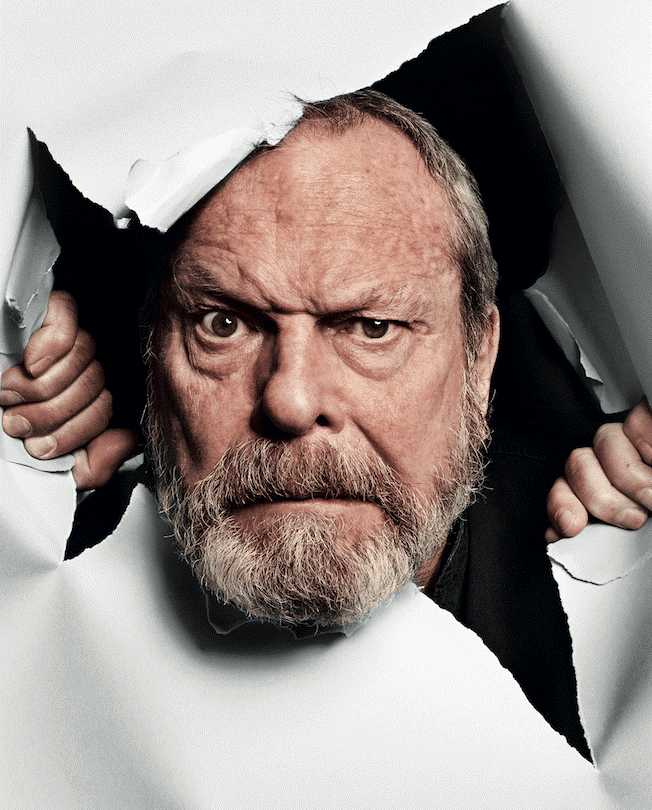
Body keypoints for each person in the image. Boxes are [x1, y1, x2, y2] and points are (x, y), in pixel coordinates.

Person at [2, 89, 650, 756]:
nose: (289, 401)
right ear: (152, 348)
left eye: (372, 328)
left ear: (479, 356)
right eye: (223, 325)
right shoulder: (44, 571)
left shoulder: (612, 604)